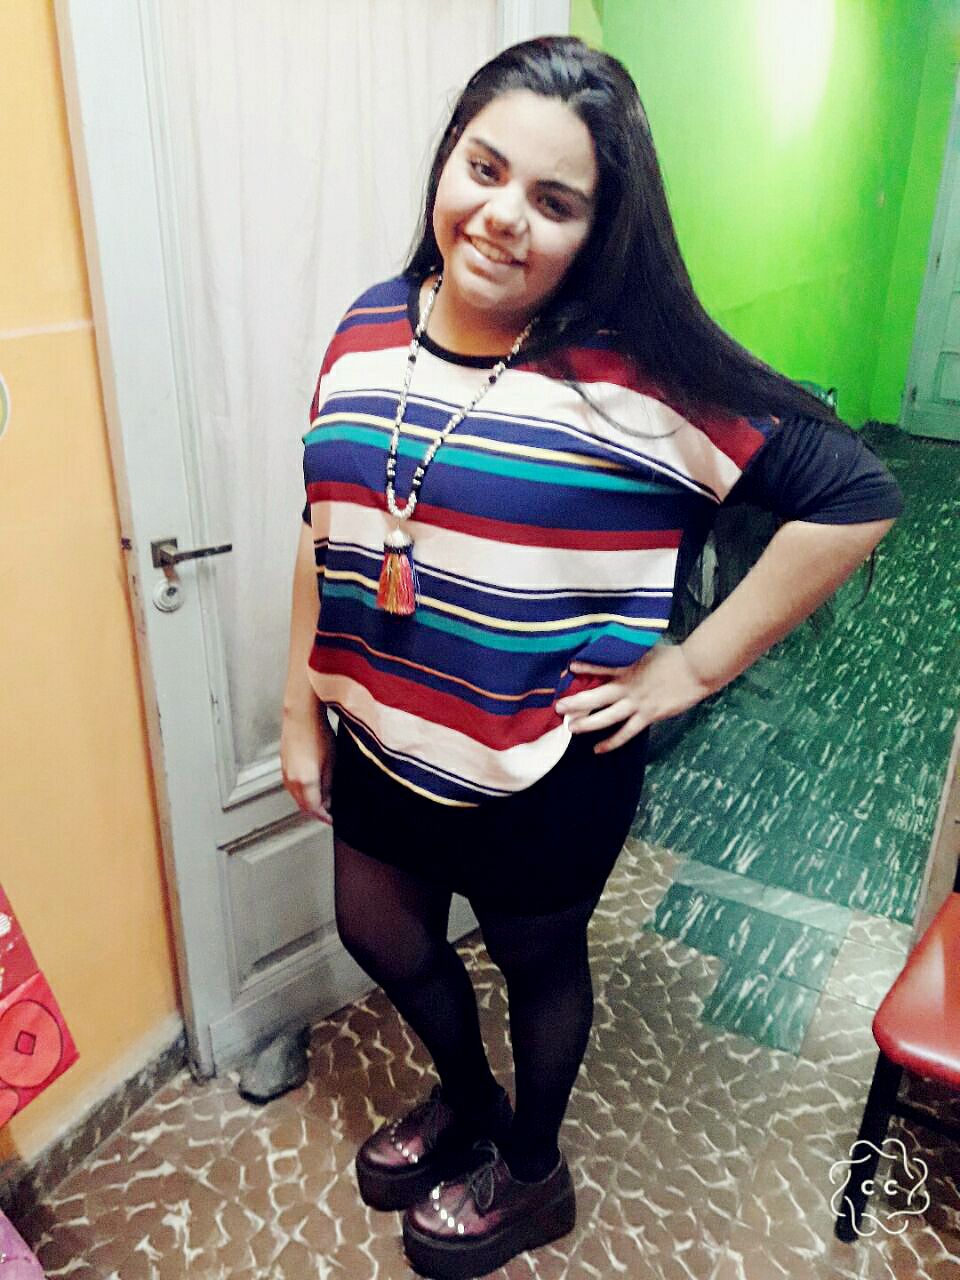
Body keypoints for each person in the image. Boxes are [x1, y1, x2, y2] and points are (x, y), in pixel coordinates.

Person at [281, 37, 902, 1279]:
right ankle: (469, 1101)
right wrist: (300, 700)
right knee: (380, 932)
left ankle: (531, 1169)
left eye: (554, 201)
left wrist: (695, 665)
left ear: (597, 231)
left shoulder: (636, 378)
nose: (503, 215)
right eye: (485, 168)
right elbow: (325, 522)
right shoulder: (367, 323)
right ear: (449, 160)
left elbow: (854, 497)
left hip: (548, 763)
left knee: (537, 965)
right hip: (382, 734)